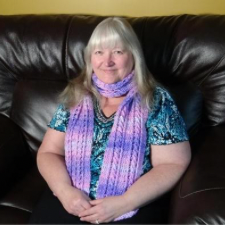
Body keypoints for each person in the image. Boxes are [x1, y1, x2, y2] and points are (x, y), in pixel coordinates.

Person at [29, 17, 191, 224]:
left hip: (133, 203)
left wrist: (123, 203)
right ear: (90, 58)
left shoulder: (155, 100)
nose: (107, 62)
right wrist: (64, 191)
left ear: (133, 55)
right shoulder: (76, 95)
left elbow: (173, 163)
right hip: (72, 198)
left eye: (117, 51)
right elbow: (49, 151)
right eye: (99, 52)